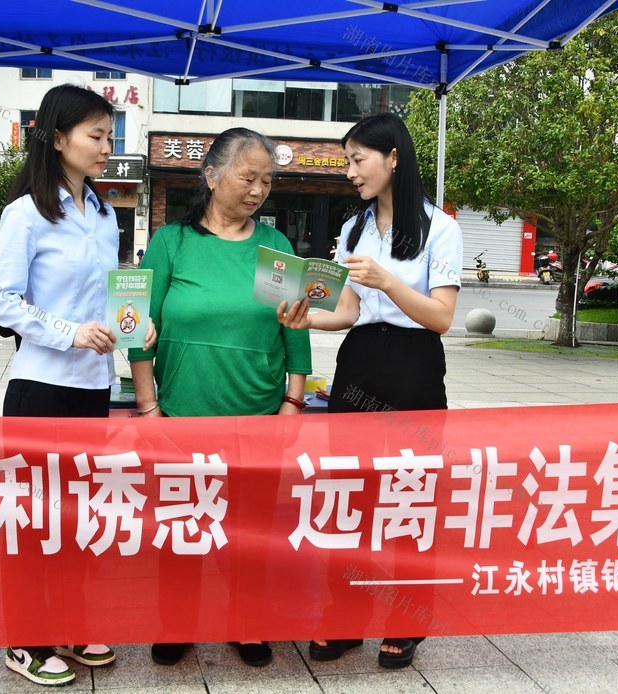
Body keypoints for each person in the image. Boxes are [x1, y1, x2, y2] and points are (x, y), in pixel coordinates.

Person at [278, 112, 462, 669]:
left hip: (413, 369)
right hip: (357, 369)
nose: (350, 172)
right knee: (348, 500)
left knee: (409, 499)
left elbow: (442, 317)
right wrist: (306, 320)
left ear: (393, 158)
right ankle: (344, 619)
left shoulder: (440, 227)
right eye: (347, 161)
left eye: (358, 160)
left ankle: (406, 623)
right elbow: (350, 311)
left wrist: (389, 281)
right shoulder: (354, 228)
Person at [0, 84, 153, 687]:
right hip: (39, 387)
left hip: (90, 390)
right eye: (96, 136)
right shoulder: (25, 212)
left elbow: (113, 298)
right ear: (57, 139)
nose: (108, 147)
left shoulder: (107, 214)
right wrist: (68, 332)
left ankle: (74, 624)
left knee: (77, 516)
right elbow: (1, 301)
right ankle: (25, 642)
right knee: (32, 520)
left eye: (110, 136)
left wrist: (135, 323)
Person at [128, 127, 312, 668]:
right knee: (179, 528)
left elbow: (293, 330)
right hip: (181, 414)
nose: (258, 190)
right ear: (210, 176)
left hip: (259, 413)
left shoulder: (273, 247)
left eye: (268, 180)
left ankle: (246, 623)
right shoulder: (171, 243)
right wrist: (148, 408)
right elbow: (135, 325)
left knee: (251, 533)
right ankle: (176, 623)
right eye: (248, 177)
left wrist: (293, 402)